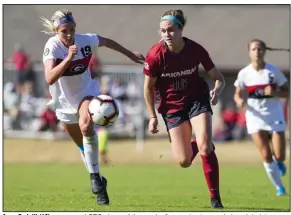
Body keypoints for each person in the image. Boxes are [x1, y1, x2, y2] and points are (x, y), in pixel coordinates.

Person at [40, 9, 144, 205]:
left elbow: (107, 41)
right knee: (81, 145)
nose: (69, 34)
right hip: (63, 101)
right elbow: (49, 78)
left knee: (87, 126)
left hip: (86, 92)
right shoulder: (52, 47)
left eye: (72, 29)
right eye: (64, 31)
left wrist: (129, 54)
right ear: (56, 31)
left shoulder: (85, 40)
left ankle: (94, 178)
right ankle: (100, 184)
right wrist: (68, 59)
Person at [143, 9, 225, 209]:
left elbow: (219, 78)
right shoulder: (155, 55)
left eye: (170, 30)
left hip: (197, 99)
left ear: (181, 29)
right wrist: (152, 116)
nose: (166, 35)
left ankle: (215, 199)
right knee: (184, 160)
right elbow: (148, 88)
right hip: (171, 108)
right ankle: (201, 140)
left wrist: (217, 90)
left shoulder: (196, 50)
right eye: (162, 31)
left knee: (205, 148)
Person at [234, 39, 289, 196]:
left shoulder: (273, 72)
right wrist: (239, 101)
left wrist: (275, 93)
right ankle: (279, 187)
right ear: (249, 52)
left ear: (265, 51)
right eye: (254, 49)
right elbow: (237, 94)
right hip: (255, 117)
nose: (257, 51)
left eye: (260, 49)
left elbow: (286, 91)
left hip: (274, 115)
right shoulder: (244, 73)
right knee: (266, 154)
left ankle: (279, 163)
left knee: (280, 155)